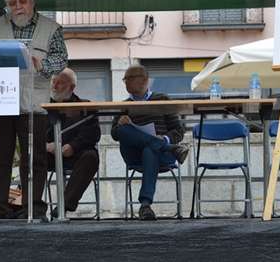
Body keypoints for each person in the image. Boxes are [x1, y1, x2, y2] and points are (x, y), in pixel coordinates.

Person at [0, 0, 68, 221]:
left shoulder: (51, 28)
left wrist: (42, 65)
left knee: (34, 158)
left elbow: (61, 59)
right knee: (0, 156)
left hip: (34, 100)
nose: (17, 7)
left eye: (22, 2)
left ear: (32, 2)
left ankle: (33, 208)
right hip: (2, 96)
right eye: (12, 3)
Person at [111, 65, 188, 221]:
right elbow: (115, 134)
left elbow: (178, 131)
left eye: (130, 78)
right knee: (123, 130)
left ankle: (145, 205)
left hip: (161, 155)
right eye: (125, 79)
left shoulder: (163, 100)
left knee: (150, 150)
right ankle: (171, 148)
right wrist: (120, 123)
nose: (126, 82)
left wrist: (165, 139)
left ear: (145, 80)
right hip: (134, 155)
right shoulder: (124, 105)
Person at [46, 68, 101, 218]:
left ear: (72, 87)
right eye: (53, 82)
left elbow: (93, 134)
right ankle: (31, 206)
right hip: (50, 153)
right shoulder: (43, 106)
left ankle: (64, 205)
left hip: (76, 153)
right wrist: (47, 145)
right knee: (32, 157)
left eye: (61, 83)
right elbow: (37, 133)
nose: (55, 86)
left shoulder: (85, 106)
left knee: (91, 157)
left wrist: (73, 146)